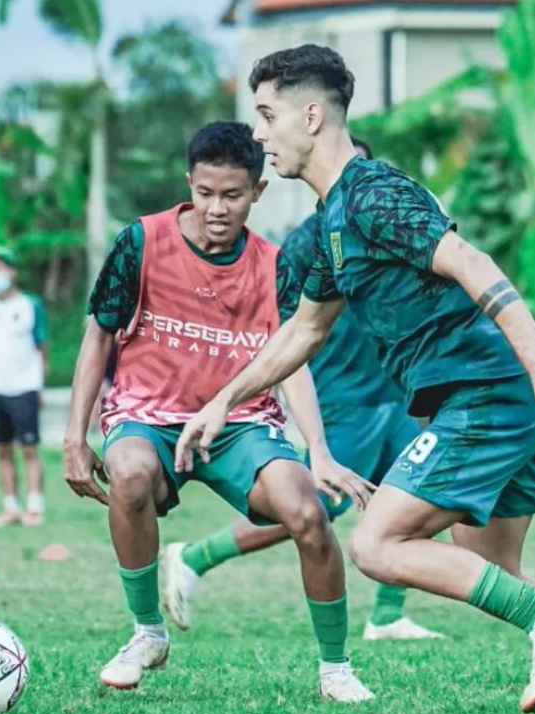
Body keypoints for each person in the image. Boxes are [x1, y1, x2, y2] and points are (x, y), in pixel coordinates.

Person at [175, 45, 535, 714]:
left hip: (486, 394)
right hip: (482, 396)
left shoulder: (374, 193)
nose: (259, 135)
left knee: (377, 545)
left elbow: (469, 260)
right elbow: (302, 334)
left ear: (311, 115)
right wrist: (221, 401)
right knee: (498, 575)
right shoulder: (332, 220)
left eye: (267, 117)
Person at [62, 121, 376, 702]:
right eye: (205, 193)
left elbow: (293, 358)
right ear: (189, 183)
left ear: (257, 192)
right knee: (129, 476)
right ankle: (146, 634)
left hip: (242, 424)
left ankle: (336, 668)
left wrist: (320, 452)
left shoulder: (275, 263)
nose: (216, 208)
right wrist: (75, 437)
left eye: (232, 196)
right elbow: (98, 336)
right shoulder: (142, 241)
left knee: (308, 513)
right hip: (147, 415)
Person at [163, 137, 443, 642]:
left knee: (418, 495)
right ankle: (196, 556)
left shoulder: (388, 232)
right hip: (344, 398)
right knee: (321, 507)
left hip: (395, 394)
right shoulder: (303, 245)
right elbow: (284, 335)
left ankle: (387, 614)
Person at [0, 246, 49, 528]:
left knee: (29, 448)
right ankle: (10, 506)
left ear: (12, 272)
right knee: (2, 449)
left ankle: (35, 506)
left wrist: (39, 384)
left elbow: (42, 347)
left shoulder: (30, 305)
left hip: (24, 386)